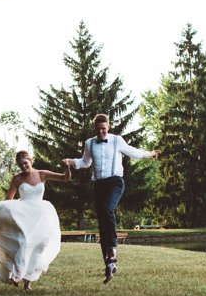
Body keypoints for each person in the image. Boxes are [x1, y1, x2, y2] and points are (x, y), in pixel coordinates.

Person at [62, 113, 160, 283]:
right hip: (99, 185)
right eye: (98, 129)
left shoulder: (116, 140)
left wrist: (149, 154)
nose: (101, 132)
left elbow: (133, 152)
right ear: (94, 129)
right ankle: (109, 265)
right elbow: (86, 162)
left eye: (103, 129)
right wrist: (71, 162)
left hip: (115, 182)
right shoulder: (89, 143)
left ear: (108, 127)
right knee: (102, 223)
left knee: (108, 209)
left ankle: (113, 248)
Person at [0, 150, 71, 291]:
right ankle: (17, 274)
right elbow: (9, 199)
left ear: (31, 161)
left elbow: (65, 178)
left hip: (40, 215)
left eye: (25, 163)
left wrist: (67, 167)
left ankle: (28, 281)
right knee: (25, 242)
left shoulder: (42, 174)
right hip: (24, 216)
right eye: (20, 165)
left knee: (40, 246)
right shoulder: (17, 179)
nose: (23, 167)